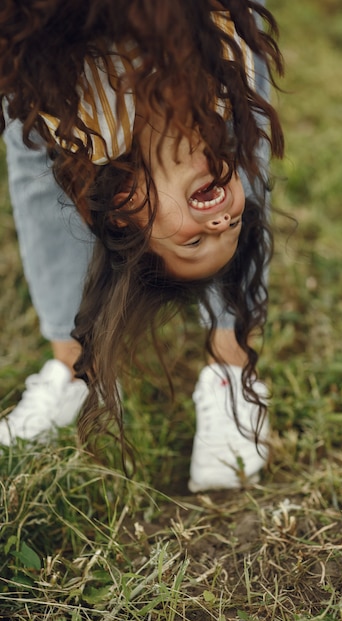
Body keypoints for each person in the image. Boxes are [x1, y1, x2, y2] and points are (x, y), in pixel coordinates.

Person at [0, 0, 284, 491]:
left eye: (196, 239)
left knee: (29, 127)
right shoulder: (220, 98)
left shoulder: (93, 131)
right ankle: (74, 367)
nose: (221, 217)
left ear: (130, 204)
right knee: (244, 117)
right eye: (232, 223)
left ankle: (229, 368)